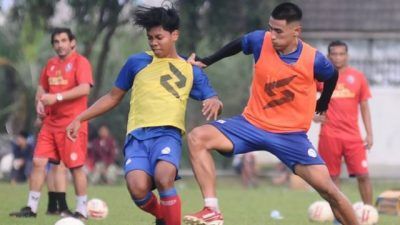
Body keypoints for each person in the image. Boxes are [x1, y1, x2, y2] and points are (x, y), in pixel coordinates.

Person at [183, 2, 359, 225]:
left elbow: (332, 76)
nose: (272, 35)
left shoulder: (314, 59)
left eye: (278, 31)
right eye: (270, 28)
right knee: (197, 137)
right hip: (251, 125)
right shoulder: (260, 40)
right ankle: (212, 211)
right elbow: (239, 44)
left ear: (296, 31)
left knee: (330, 191)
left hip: (291, 136)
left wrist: (322, 102)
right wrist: (207, 60)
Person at [66, 5, 222, 225]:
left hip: (168, 134)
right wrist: (80, 118)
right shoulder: (137, 62)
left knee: (164, 176)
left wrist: (214, 100)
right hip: (137, 136)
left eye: (159, 37)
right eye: (150, 38)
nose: (154, 42)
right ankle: (161, 216)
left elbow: (210, 94)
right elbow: (112, 97)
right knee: (137, 188)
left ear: (174, 35)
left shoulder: (190, 69)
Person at [9, 27, 93, 219]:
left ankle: (81, 210)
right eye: (56, 42)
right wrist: (39, 102)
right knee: (38, 162)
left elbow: (84, 89)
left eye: (64, 40)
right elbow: (41, 88)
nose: (60, 45)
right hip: (50, 123)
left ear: (73, 42)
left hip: (73, 124)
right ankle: (31, 208)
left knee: (75, 166)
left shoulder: (81, 62)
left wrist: (57, 97)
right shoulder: (50, 64)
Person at [314, 40, 373, 205]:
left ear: (347, 56)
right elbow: (304, 95)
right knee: (331, 178)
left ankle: (368, 214)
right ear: (328, 56)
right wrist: (312, 115)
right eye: (334, 54)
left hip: (353, 136)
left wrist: (369, 133)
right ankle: (337, 217)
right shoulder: (322, 77)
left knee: (363, 175)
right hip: (329, 135)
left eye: (341, 54)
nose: (338, 57)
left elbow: (364, 106)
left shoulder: (358, 77)